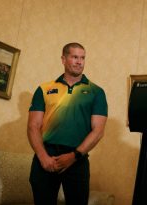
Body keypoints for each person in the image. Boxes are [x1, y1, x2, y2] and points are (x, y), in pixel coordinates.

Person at [27, 42, 108, 205]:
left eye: (83, 58)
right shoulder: (44, 89)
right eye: (75, 57)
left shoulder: (96, 92)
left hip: (77, 159)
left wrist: (74, 156)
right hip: (46, 157)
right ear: (63, 59)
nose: (79, 62)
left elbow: (98, 130)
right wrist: (43, 157)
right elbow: (33, 126)